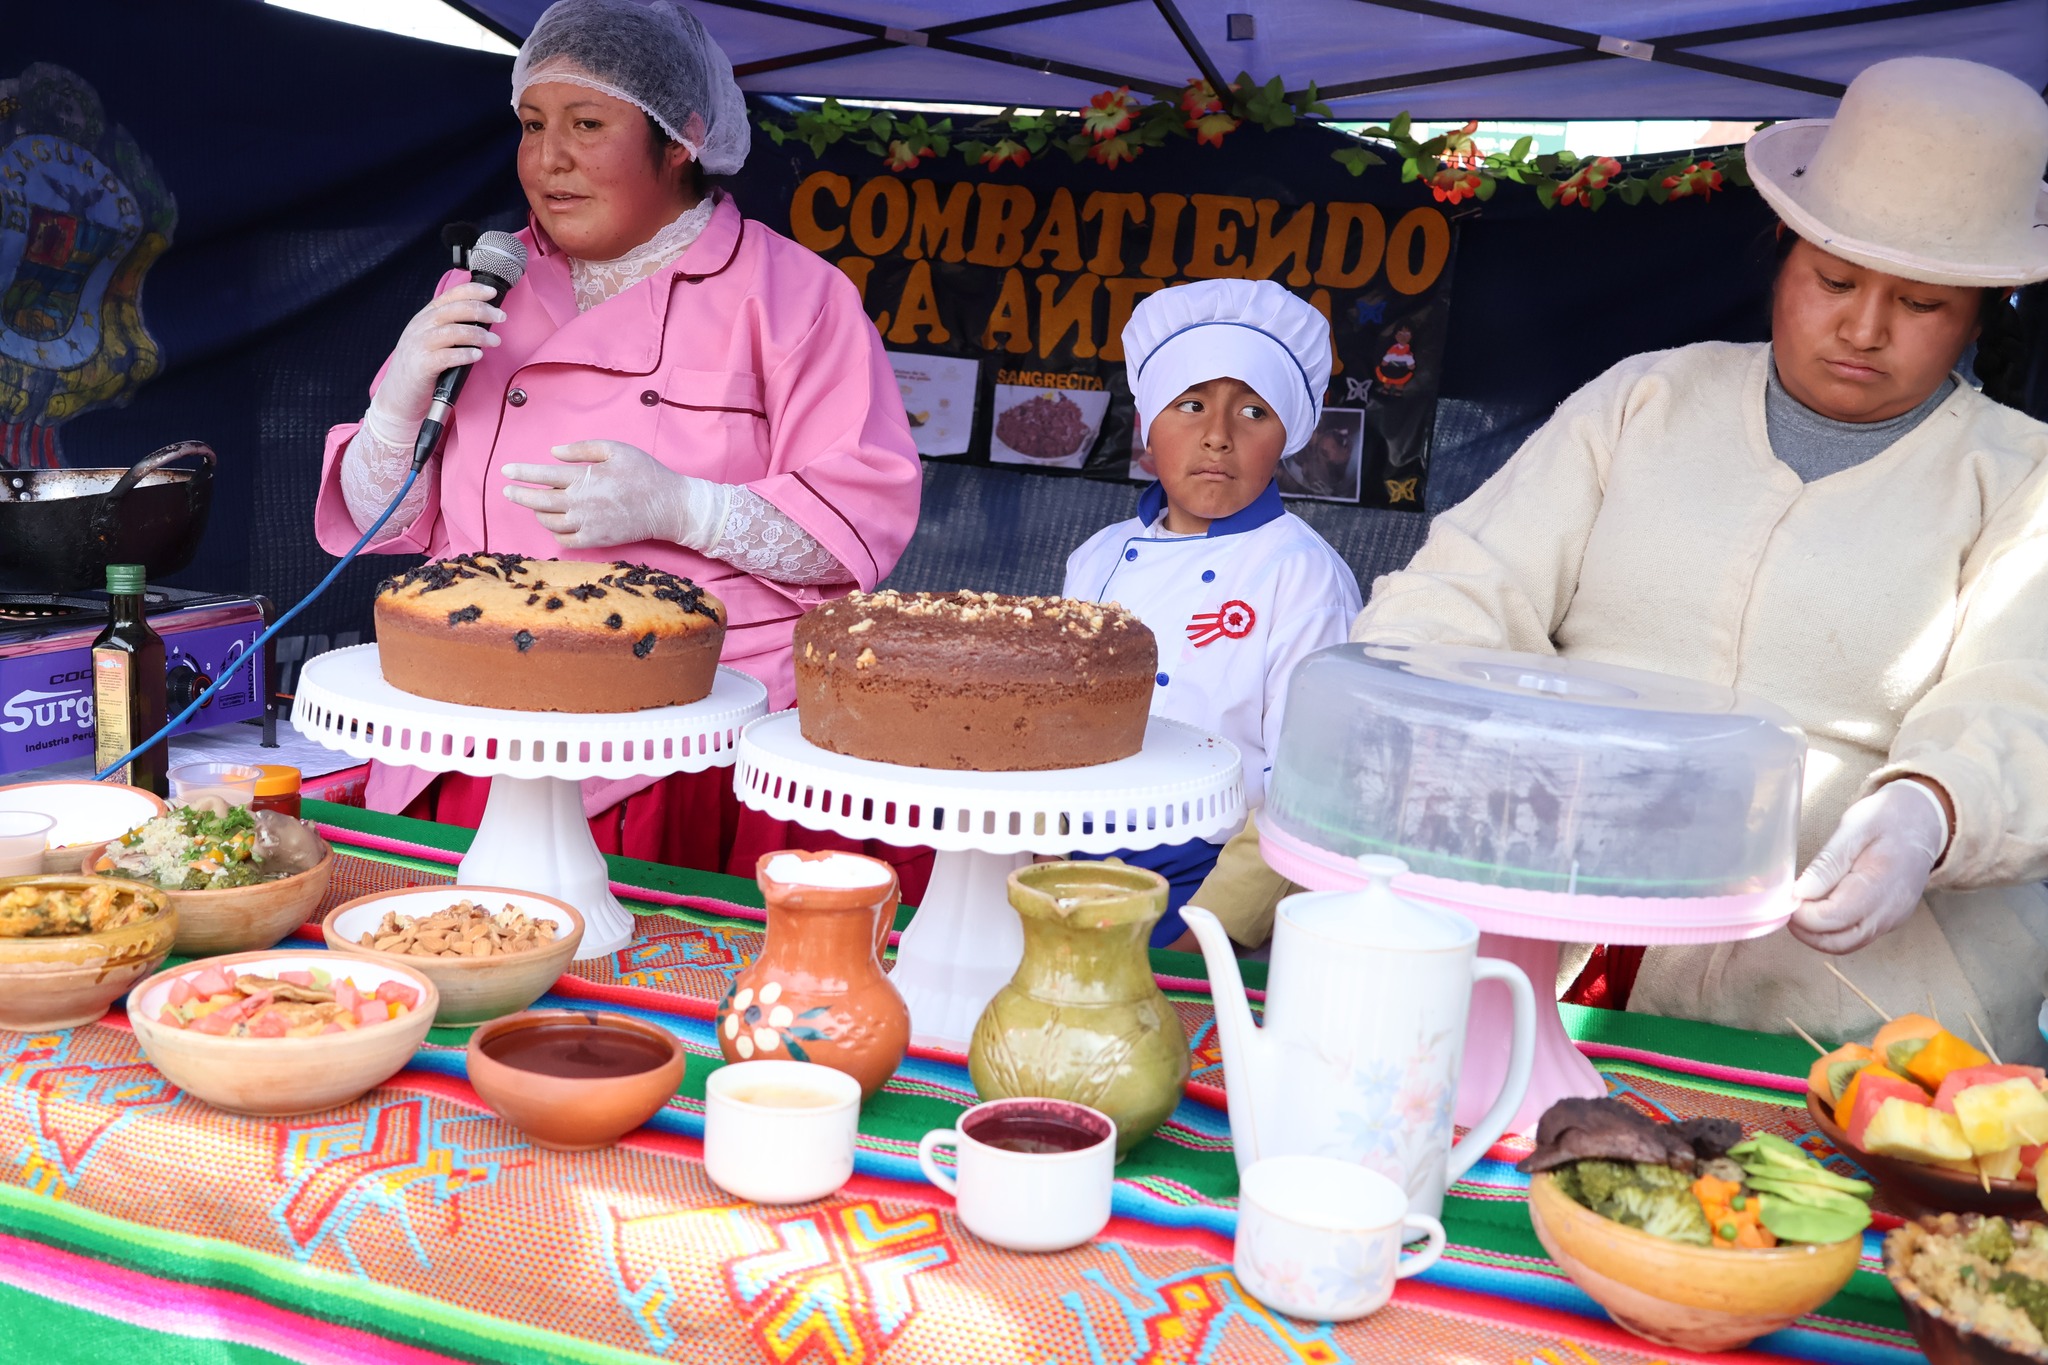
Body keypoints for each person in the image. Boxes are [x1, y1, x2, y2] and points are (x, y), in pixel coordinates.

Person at [1350, 57, 2048, 1060]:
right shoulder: (1643, 401)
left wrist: (1930, 809)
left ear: (1984, 308)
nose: (1862, 328)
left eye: (1921, 303)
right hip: (1550, 944)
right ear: (1780, 252)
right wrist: (1439, 723)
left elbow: (2021, 698)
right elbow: (1462, 588)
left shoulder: (2020, 477)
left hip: (1863, 1008)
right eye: (1833, 280)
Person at [313, 0, 923, 879]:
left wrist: (688, 508)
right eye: (532, 124)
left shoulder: (794, 297)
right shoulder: (486, 285)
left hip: (678, 746)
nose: (548, 159)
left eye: (587, 124)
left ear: (682, 140)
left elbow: (855, 528)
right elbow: (380, 518)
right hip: (472, 723)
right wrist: (395, 408)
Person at [1064, 280, 1364, 949]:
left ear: (1287, 436)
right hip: (1068, 857)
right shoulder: (1096, 557)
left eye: (1254, 411)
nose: (1218, 437)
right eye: (1191, 404)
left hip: (1208, 878)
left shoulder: (1303, 575)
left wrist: (1211, 928)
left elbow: (1310, 786)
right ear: (1149, 423)